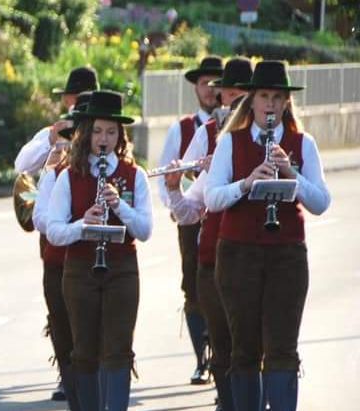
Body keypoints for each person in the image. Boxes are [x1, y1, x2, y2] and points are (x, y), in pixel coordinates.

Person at [204, 60, 330, 411]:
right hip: (237, 254)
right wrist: (246, 183)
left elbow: (321, 202)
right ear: (252, 100)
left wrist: (291, 174)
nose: (271, 104)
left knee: (282, 348)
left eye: (277, 97)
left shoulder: (303, 143)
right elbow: (212, 198)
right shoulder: (231, 142)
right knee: (244, 348)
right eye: (263, 96)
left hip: (286, 255)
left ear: (287, 102)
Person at [46, 90, 153, 411]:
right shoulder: (69, 176)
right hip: (79, 270)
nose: (103, 139)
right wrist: (83, 223)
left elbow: (145, 231)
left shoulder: (135, 175)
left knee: (119, 348)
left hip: (122, 268)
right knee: (85, 349)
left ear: (120, 135)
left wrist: (119, 205)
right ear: (86, 133)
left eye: (110, 131)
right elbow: (54, 230)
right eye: (96, 131)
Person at [166, 56, 253, 410]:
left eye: (240, 95)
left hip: (258, 255)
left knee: (254, 344)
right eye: (227, 95)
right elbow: (189, 207)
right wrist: (176, 186)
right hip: (213, 252)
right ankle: (225, 394)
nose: (231, 103)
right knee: (222, 342)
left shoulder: (278, 140)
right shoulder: (207, 133)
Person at [13, 66, 99, 403]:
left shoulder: (110, 134)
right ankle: (70, 379)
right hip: (57, 248)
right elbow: (22, 165)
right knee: (60, 317)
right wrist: (53, 140)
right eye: (76, 100)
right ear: (66, 101)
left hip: (98, 248)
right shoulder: (55, 135)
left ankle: (93, 385)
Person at [159, 56, 224, 385]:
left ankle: (224, 361)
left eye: (217, 84)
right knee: (194, 286)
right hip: (193, 214)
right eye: (204, 83)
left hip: (229, 213)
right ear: (195, 88)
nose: (211, 90)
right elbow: (168, 171)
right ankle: (203, 359)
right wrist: (174, 201)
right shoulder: (184, 128)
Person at [31, 91, 93, 410]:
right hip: (59, 264)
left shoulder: (119, 171)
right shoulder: (55, 171)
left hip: (103, 265)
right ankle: (75, 399)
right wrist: (69, 218)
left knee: (97, 336)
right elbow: (40, 218)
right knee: (63, 331)